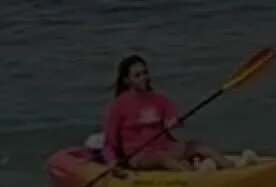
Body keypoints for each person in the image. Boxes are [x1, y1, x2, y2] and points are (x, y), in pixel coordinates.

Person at [101, 55, 245, 177]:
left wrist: (175, 123)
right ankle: (197, 180)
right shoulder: (117, 106)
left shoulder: (160, 100)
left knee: (200, 147)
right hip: (139, 155)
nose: (143, 78)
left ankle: (233, 170)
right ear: (127, 80)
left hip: (166, 147)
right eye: (137, 75)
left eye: (145, 73)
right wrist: (112, 162)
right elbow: (109, 142)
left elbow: (172, 121)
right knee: (165, 160)